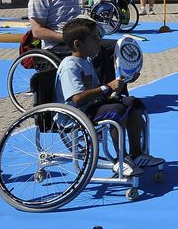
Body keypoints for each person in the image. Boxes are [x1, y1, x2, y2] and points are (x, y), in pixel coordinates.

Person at [55, 17, 164, 176]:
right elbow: (77, 98)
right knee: (116, 110)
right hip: (77, 115)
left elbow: (99, 91)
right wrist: (107, 87)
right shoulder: (69, 66)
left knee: (133, 103)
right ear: (78, 44)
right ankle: (121, 159)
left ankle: (137, 154)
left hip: (91, 107)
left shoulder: (86, 61)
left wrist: (124, 81)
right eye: (93, 37)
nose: (98, 40)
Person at [29, 0, 127, 89]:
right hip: (58, 44)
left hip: (80, 38)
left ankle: (117, 89)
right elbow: (37, 31)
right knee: (95, 50)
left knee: (116, 46)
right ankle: (100, 91)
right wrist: (66, 37)